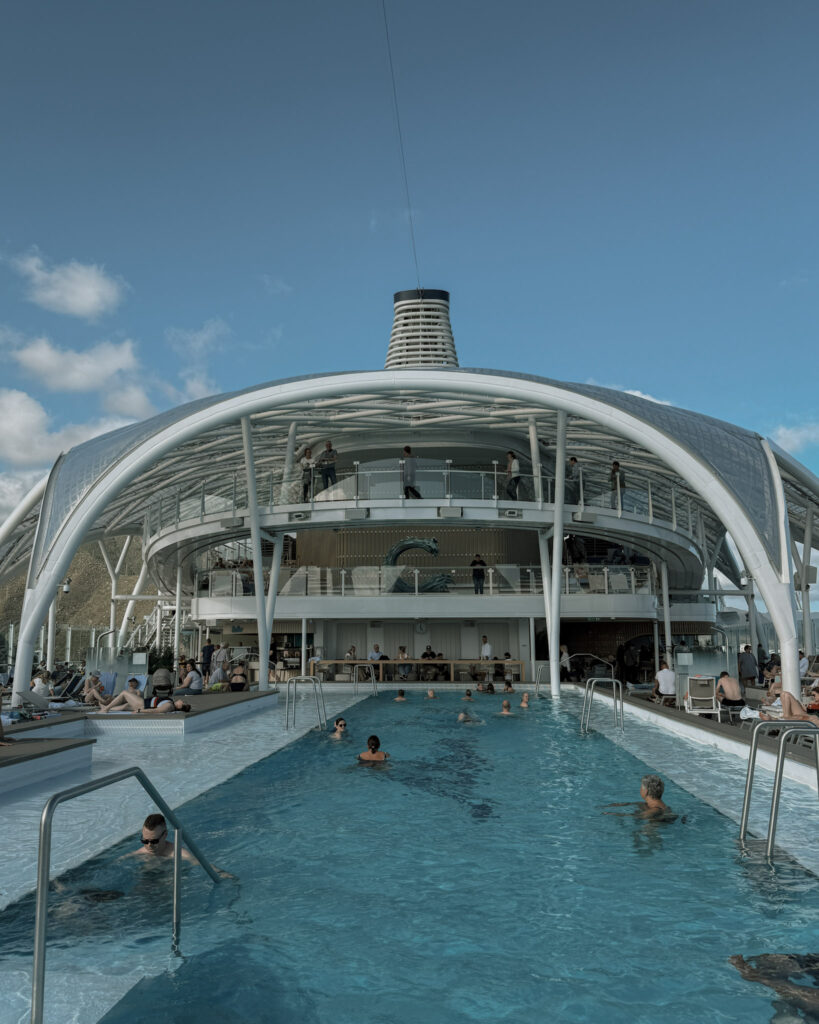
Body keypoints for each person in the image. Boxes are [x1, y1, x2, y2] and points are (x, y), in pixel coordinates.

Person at [129, 813, 231, 877]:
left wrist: (224, 874)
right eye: (145, 841)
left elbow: (204, 866)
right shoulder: (140, 852)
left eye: (154, 841)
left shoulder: (178, 853)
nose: (149, 845)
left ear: (165, 835)